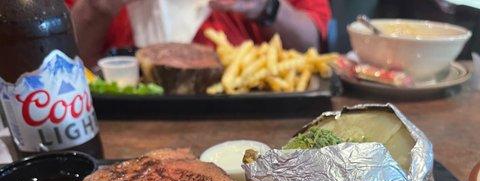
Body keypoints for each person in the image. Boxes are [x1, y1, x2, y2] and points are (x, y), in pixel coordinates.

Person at [65, 0, 331, 67]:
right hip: (122, 118)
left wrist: (266, 6)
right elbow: (58, 63)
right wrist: (95, 8)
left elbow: (311, 42)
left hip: (249, 112)